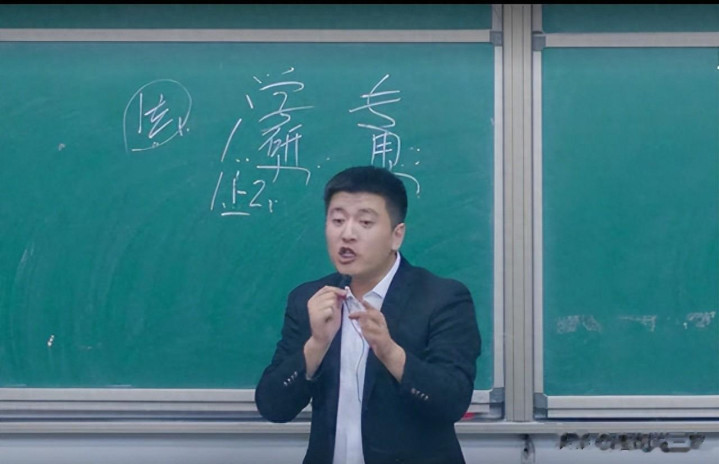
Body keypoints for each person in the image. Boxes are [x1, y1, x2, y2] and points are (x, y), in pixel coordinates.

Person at [255, 165, 481, 464]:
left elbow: (452, 402)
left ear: (396, 236)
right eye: (337, 220)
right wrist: (316, 346)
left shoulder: (442, 299)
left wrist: (390, 353)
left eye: (365, 222)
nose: (347, 234)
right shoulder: (309, 300)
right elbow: (273, 407)